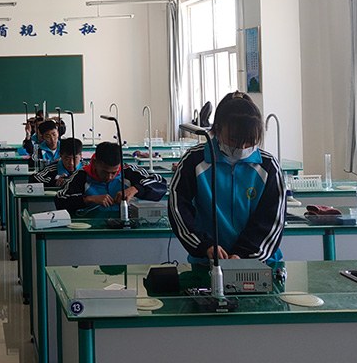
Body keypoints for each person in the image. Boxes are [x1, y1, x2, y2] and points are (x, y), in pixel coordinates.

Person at [168, 91, 286, 263]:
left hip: (258, 262)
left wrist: (243, 254)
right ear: (217, 130)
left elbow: (271, 220)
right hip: (208, 262)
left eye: (250, 141)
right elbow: (179, 207)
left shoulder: (268, 167)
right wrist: (204, 245)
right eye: (234, 140)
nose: (242, 147)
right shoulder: (195, 161)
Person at [55, 141, 167, 213]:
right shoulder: (81, 175)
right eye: (104, 172)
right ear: (95, 163)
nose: (109, 177)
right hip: (91, 231)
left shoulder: (129, 172)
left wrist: (135, 189)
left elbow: (161, 184)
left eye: (114, 173)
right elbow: (60, 199)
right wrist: (88, 199)